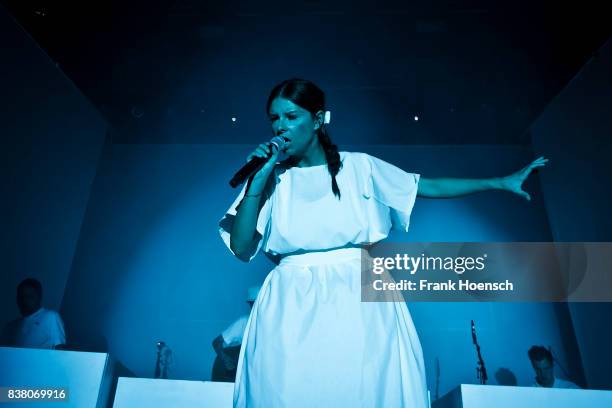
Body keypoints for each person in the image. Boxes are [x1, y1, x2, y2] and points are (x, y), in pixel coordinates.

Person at [219, 78, 547, 407]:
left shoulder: (358, 166)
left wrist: (500, 182)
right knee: (285, 389)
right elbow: (242, 246)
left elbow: (426, 187)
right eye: (274, 119)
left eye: (291, 117)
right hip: (290, 298)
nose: (280, 128)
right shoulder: (271, 179)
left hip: (356, 290)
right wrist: (257, 180)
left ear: (318, 119)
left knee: (364, 386)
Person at [212, 285, 261, 382]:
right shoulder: (243, 322)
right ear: (250, 304)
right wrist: (225, 359)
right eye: (253, 304)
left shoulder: (272, 326)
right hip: (232, 373)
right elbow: (216, 342)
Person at [1, 278, 66, 350]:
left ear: (39, 297)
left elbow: (60, 350)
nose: (25, 301)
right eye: (21, 297)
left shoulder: (50, 317)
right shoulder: (11, 326)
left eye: (30, 297)